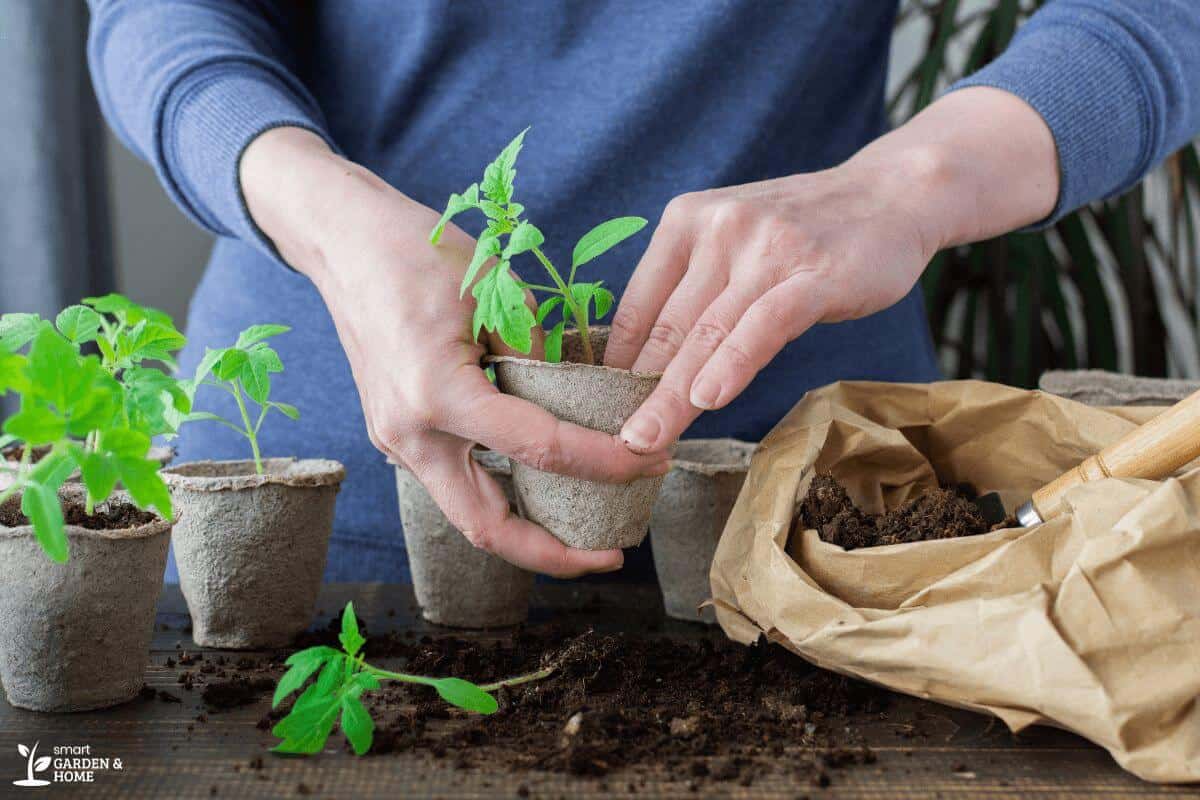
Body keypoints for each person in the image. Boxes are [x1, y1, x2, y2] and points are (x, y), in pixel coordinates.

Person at [87, 1, 1200, 581]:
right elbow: (159, 12)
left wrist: (917, 179)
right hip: (312, 517)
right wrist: (318, 213)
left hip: (794, 533)